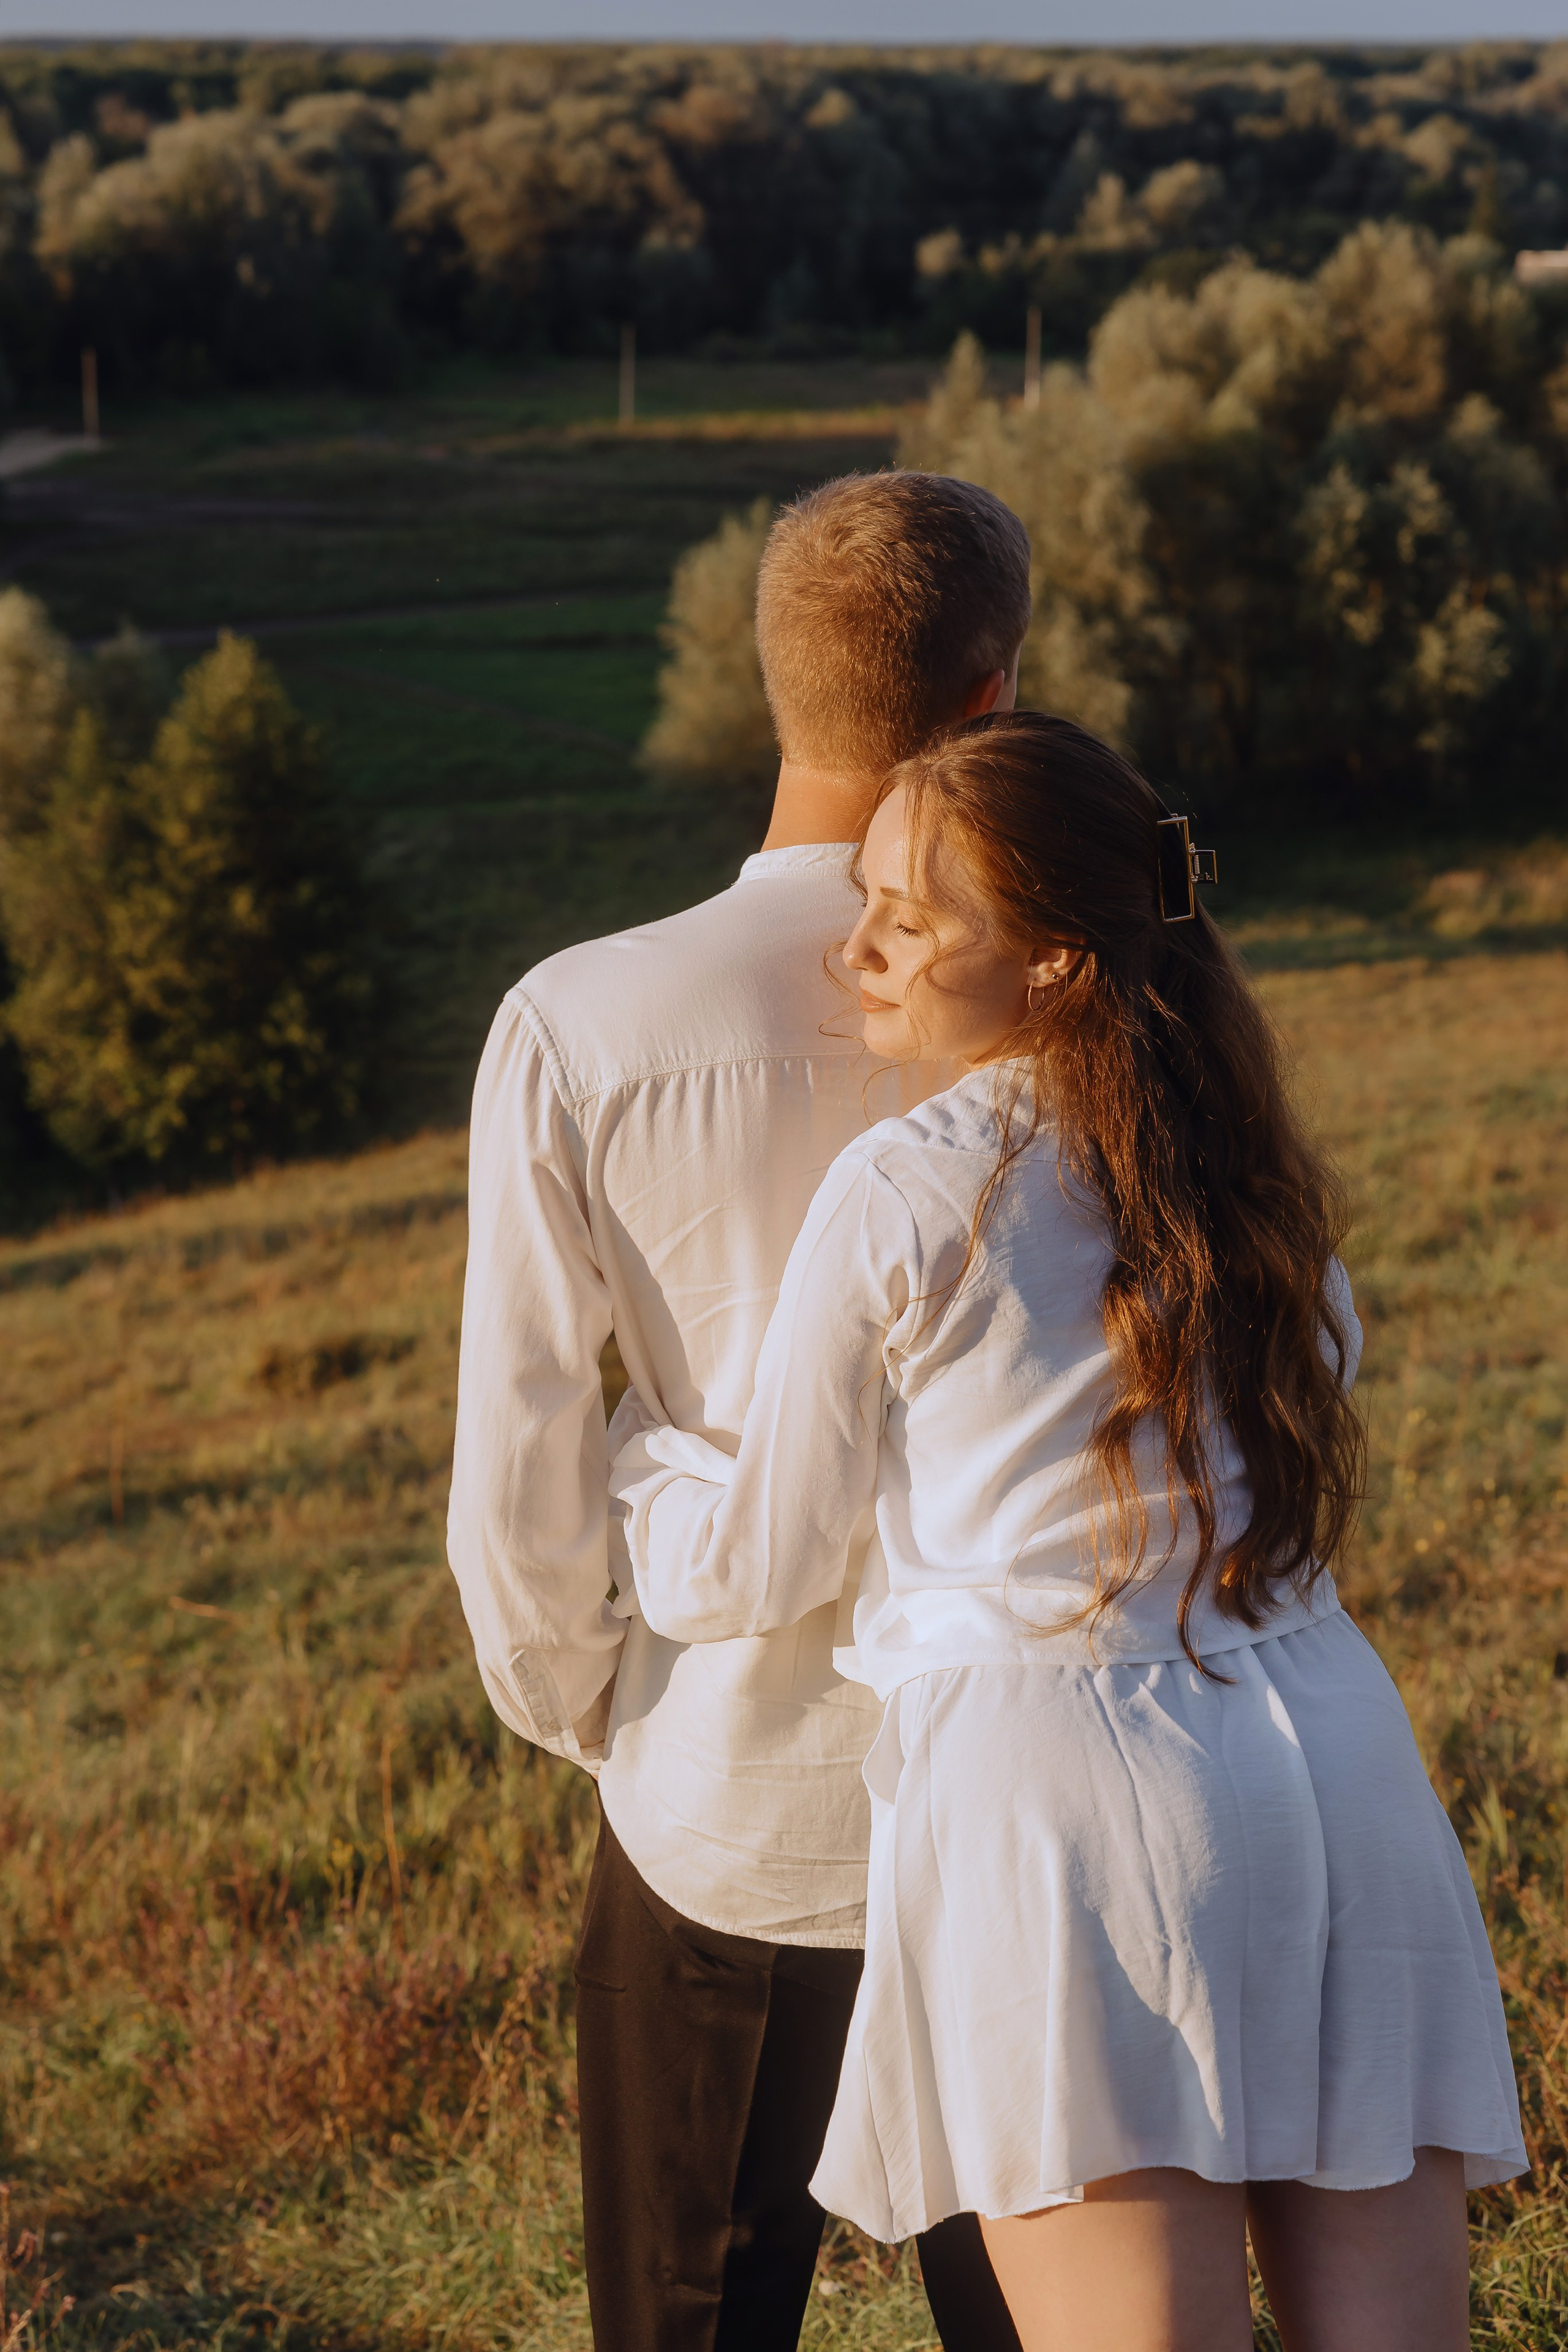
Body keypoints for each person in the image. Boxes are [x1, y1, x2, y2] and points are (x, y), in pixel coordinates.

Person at [611, 709, 1528, 2352]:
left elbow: (755, 1563)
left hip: (1073, 1803)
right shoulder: (1244, 1155)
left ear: (1043, 963)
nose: (862, 942)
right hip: (1333, 1750)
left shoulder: (910, 1181)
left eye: (911, 912)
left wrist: (641, 1464)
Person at [447, 471, 1035, 2351]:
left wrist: (606, 1718)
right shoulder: (1089, 1004)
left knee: (692, 2327)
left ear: (773, 684)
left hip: (720, 1804)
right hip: (1026, 1805)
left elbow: (519, 1473)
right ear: (992, 699)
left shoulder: (578, 1022)